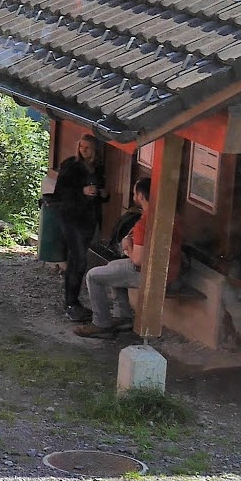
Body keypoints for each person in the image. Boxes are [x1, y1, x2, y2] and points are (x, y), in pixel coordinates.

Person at [73, 176, 182, 339]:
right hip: (172, 271)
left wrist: (127, 246)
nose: (133, 196)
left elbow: (138, 260)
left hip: (152, 276)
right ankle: (123, 317)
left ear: (141, 196)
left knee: (93, 276)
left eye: (134, 193)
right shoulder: (171, 216)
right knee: (112, 268)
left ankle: (101, 324)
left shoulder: (144, 224)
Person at [52, 133, 107, 319]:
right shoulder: (71, 166)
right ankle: (71, 303)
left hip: (88, 218)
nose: (84, 151)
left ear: (95, 150)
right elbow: (60, 193)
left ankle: (73, 302)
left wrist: (103, 194)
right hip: (70, 217)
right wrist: (81, 191)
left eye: (88, 148)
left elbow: (101, 193)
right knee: (78, 259)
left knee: (79, 259)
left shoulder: (98, 167)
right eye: (81, 147)